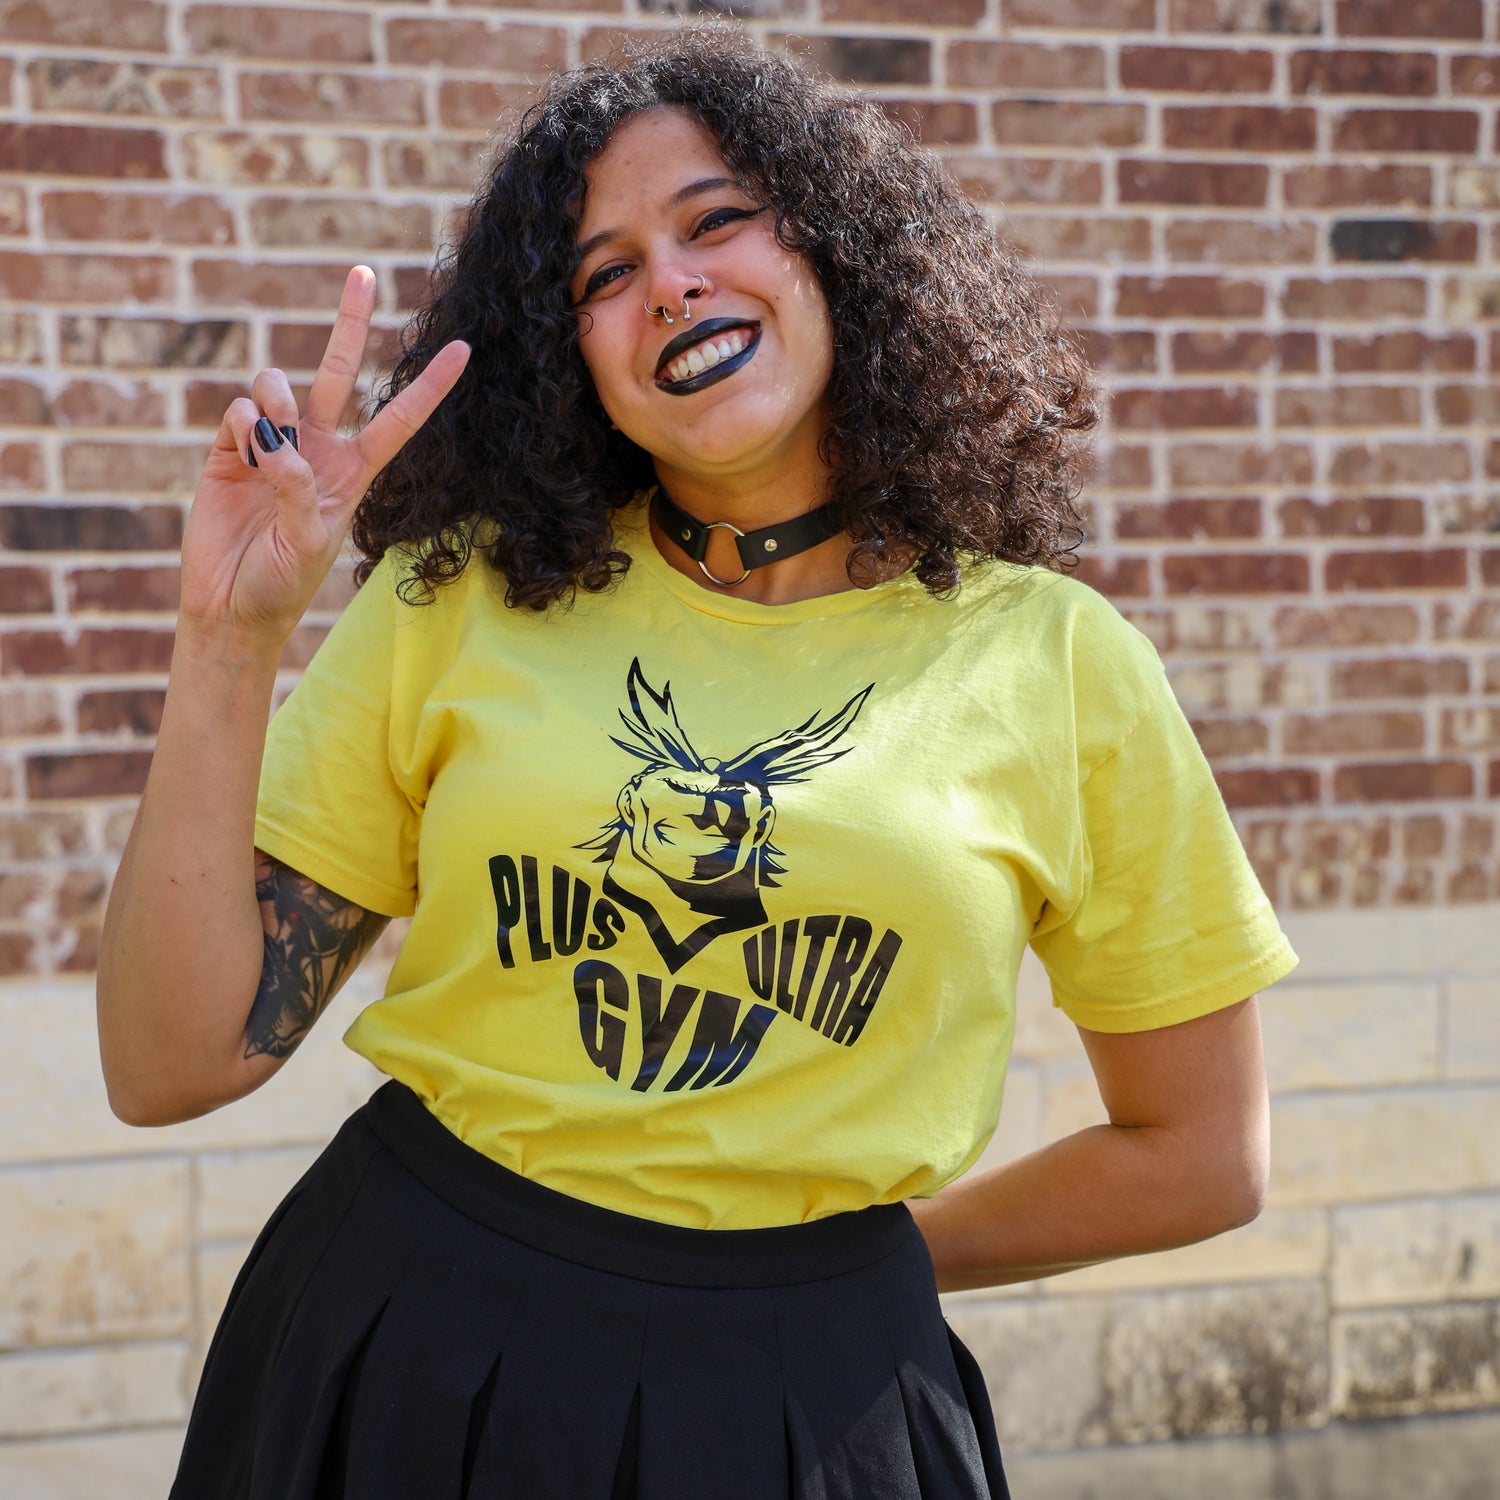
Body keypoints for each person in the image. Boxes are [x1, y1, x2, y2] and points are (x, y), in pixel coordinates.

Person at [97, 26, 1297, 1500]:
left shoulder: (1057, 661)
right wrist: (228, 640)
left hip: (810, 1403)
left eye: (717, 219)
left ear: (838, 254)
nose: (668, 282)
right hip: (410, 1337)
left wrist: (853, 1270)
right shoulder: (460, 595)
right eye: (602, 274)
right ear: (572, 359)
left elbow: (1199, 1153)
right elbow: (166, 1066)